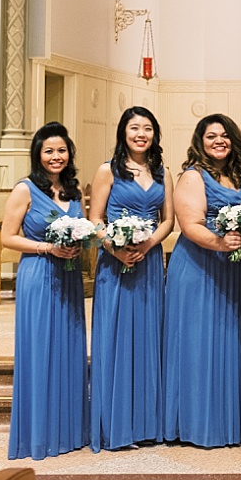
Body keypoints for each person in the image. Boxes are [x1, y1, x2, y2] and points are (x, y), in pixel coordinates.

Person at [87, 107, 175, 452]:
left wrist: (150, 242)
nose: (141, 134)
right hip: (116, 264)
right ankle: (116, 424)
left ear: (155, 134)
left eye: (148, 128)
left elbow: (167, 219)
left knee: (148, 338)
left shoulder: (162, 172)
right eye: (134, 128)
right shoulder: (107, 171)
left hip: (150, 261)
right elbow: (95, 219)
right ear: (123, 131)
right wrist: (115, 248)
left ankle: (146, 424)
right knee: (117, 337)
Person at [163, 113, 241, 447]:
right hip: (200, 268)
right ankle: (197, 423)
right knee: (199, 343)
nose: (219, 141)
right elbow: (190, 225)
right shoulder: (193, 176)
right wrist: (220, 243)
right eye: (211, 136)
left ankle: (231, 420)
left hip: (233, 267)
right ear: (200, 142)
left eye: (225, 135)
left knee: (232, 340)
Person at [3, 121, 90, 460]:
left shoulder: (72, 190)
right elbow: (8, 238)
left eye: (62, 150)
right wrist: (46, 248)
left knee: (68, 350)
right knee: (40, 350)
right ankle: (38, 434)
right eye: (49, 151)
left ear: (69, 154)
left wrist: (76, 246)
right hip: (39, 275)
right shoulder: (24, 189)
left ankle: (67, 431)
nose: (56, 157)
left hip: (68, 278)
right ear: (38, 155)